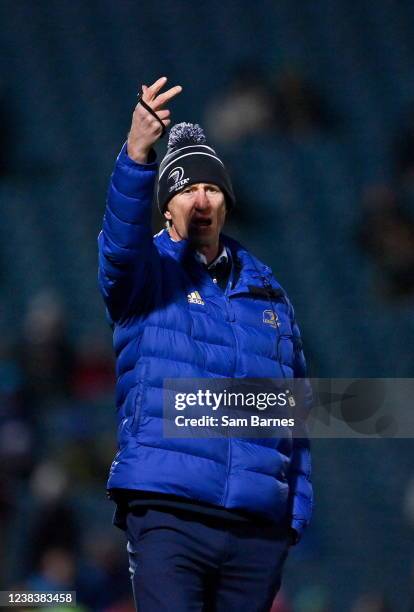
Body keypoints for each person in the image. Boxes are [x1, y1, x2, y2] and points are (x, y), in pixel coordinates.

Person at [98, 76, 313, 611]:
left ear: (226, 204)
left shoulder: (270, 294)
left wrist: (292, 517)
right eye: (185, 189)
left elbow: (296, 416)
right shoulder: (143, 277)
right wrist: (137, 152)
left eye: (211, 189)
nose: (200, 199)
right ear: (165, 207)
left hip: (255, 530)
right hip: (169, 513)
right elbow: (120, 242)